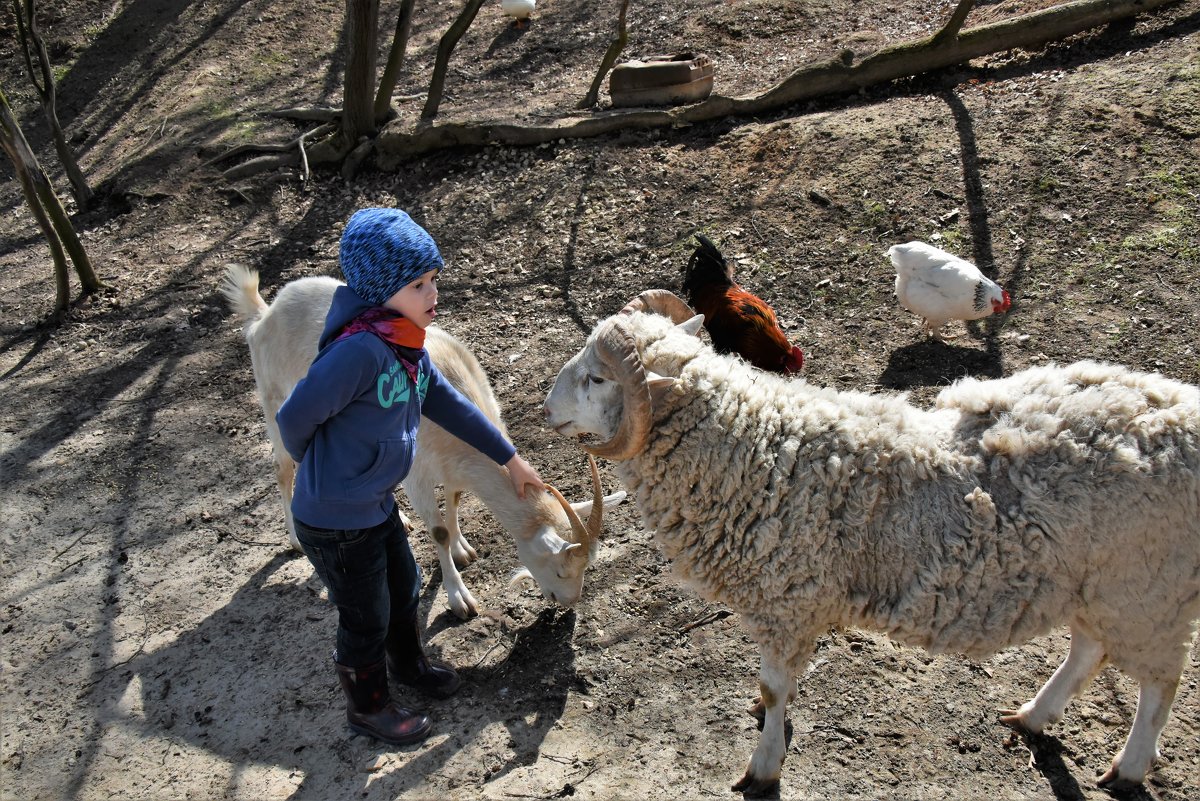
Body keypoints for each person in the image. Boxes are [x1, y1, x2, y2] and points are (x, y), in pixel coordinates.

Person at [276, 207, 545, 746]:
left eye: (433, 280)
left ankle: (407, 665)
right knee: (364, 616)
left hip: (374, 505)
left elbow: (450, 405)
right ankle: (368, 707)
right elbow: (292, 419)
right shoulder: (358, 353)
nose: (432, 294)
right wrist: (328, 471)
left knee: (405, 585)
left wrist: (509, 458)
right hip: (334, 517)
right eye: (417, 284)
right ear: (380, 290)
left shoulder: (406, 346)